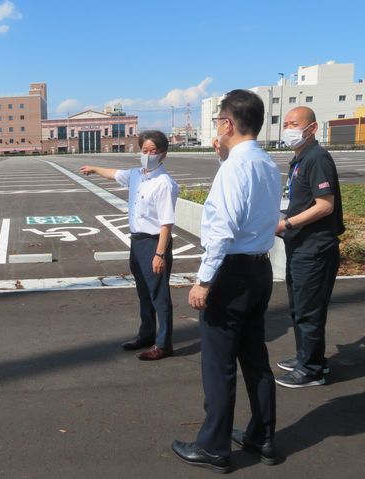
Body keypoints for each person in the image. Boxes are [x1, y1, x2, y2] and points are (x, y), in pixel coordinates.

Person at [171, 90, 282, 473]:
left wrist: (204, 280)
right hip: (260, 269)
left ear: (227, 124)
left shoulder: (234, 168)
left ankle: (214, 447)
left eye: (218, 119)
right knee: (255, 358)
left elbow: (221, 230)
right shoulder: (268, 164)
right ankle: (263, 436)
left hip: (231, 273)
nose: (217, 126)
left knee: (218, 364)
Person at [80, 130, 178, 361]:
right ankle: (146, 334)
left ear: (163, 154)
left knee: (159, 296)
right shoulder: (137, 174)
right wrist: (94, 168)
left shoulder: (164, 183)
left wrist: (160, 254)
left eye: (153, 151)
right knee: (144, 292)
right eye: (144, 150)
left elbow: (166, 224)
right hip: (137, 242)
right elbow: (114, 174)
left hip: (155, 243)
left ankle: (164, 344)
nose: (148, 155)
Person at [274, 106, 344, 388]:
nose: (288, 129)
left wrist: (287, 225)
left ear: (312, 129)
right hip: (300, 246)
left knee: (308, 310)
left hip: (314, 248)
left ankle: (311, 369)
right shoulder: (300, 159)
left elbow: (325, 206)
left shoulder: (317, 158)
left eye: (294, 124)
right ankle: (309, 357)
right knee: (301, 308)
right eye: (286, 124)